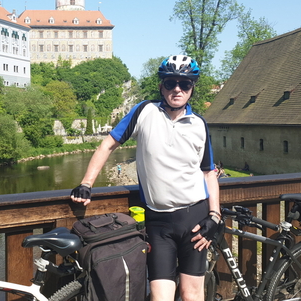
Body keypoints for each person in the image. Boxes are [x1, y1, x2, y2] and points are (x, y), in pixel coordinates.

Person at [71, 55, 221, 301]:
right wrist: (87, 183)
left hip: (195, 218)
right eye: (171, 83)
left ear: (192, 88)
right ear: (161, 86)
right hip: (159, 223)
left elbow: (208, 172)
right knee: (160, 297)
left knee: (191, 294)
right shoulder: (144, 111)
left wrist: (214, 216)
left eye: (185, 84)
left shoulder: (199, 124)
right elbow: (108, 144)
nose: (177, 89)